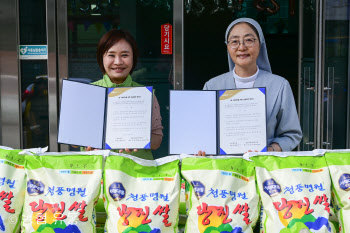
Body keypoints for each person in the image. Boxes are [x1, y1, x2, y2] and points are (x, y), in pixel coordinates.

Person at [197, 18, 302, 156]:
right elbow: (204, 132)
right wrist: (203, 149)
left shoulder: (279, 86)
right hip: (222, 170)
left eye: (249, 40)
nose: (241, 47)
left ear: (260, 44)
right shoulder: (212, 86)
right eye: (234, 41)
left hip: (263, 169)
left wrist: (269, 151)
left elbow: (291, 134)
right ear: (227, 47)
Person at [85, 29, 163, 160]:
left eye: (125, 55)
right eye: (111, 55)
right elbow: (72, 139)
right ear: (101, 57)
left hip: (137, 173)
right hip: (97, 171)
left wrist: (139, 140)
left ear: (134, 58)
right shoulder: (87, 92)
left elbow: (157, 140)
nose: (118, 62)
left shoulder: (145, 94)